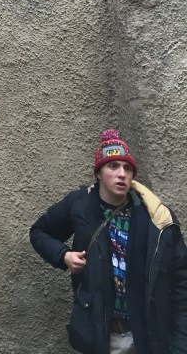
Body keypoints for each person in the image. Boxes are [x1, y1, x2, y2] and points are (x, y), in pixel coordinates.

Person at [30, 129, 187, 354]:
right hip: (101, 336)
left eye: (127, 168)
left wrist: (180, 345)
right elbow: (39, 232)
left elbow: (181, 281)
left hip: (147, 337)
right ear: (98, 173)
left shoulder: (156, 217)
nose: (121, 174)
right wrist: (64, 256)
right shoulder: (81, 205)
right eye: (113, 166)